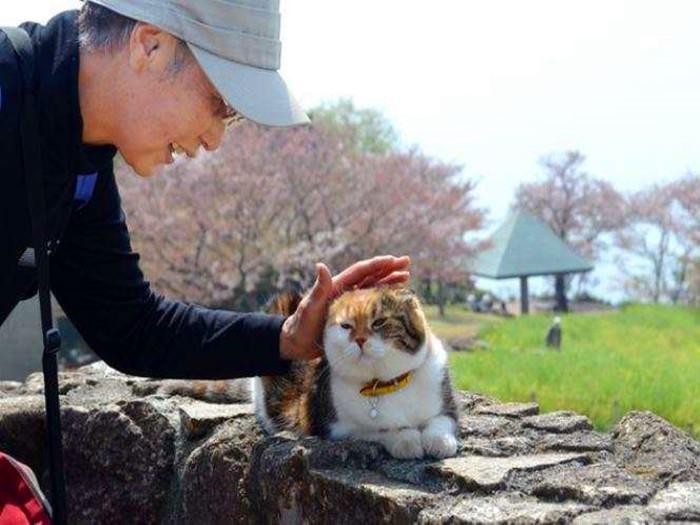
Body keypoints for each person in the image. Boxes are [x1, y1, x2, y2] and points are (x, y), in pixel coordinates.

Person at [0, 0, 411, 380]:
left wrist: (287, 337)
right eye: (219, 103)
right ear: (150, 46)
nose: (214, 140)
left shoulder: (82, 172)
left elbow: (135, 330)